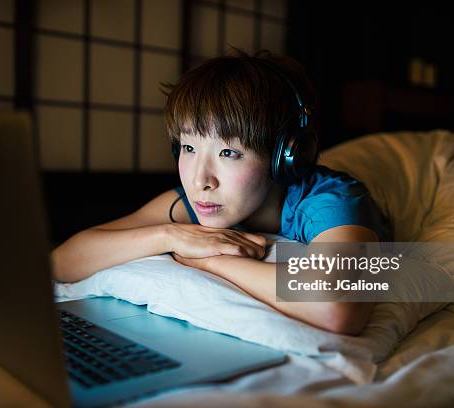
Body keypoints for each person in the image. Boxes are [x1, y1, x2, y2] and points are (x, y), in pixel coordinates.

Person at [51, 49, 392, 335]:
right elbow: (62, 262)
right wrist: (170, 236)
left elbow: (337, 308)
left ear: (284, 157)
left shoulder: (328, 201)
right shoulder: (193, 202)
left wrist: (210, 260)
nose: (201, 179)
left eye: (228, 153)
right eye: (188, 147)